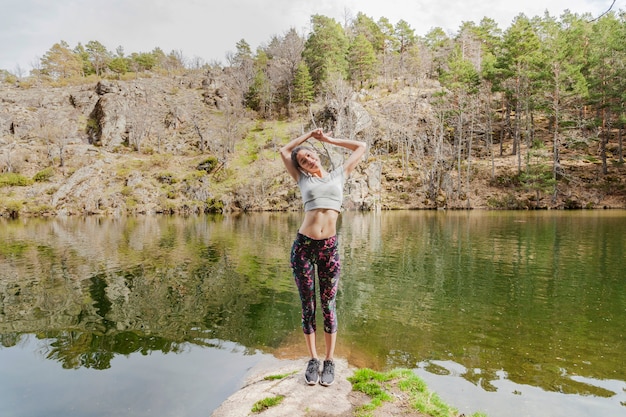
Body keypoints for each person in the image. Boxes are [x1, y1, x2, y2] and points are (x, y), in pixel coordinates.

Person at [279, 128, 366, 386]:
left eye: (310, 156)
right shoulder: (303, 180)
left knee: (328, 306)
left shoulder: (340, 175)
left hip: (329, 248)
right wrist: (306, 136)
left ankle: (329, 361)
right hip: (303, 249)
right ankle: (313, 359)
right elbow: (284, 151)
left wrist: (327, 139)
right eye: (303, 161)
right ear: (301, 167)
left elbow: (361, 145)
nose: (309, 161)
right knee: (308, 306)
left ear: (318, 155)